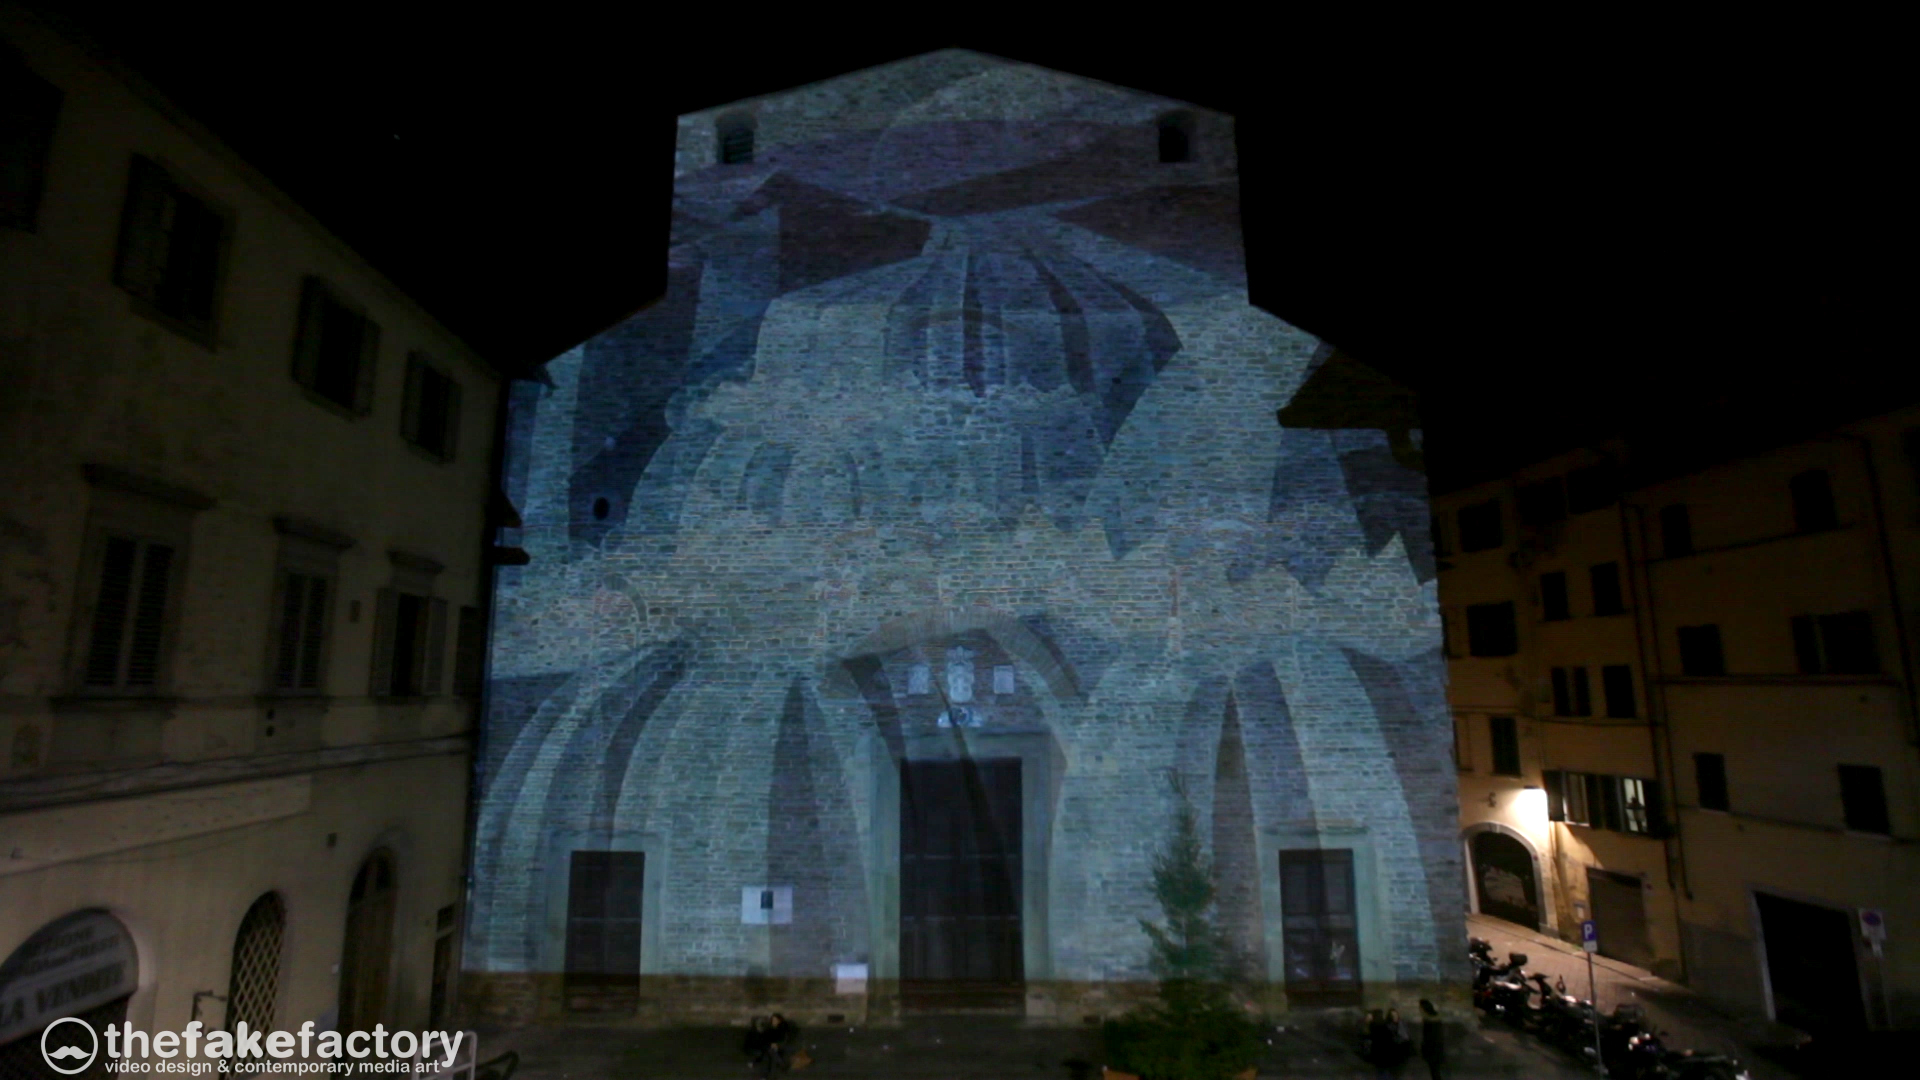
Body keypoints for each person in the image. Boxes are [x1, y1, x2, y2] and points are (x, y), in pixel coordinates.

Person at [1419, 999, 1447, 1080]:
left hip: (1432, 1049)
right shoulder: (1435, 1019)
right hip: (1436, 1048)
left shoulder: (1428, 1021)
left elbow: (1428, 1036)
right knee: (1435, 1071)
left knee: (1435, 1071)